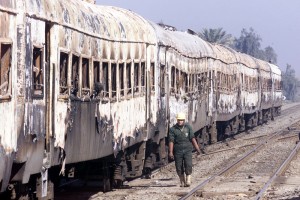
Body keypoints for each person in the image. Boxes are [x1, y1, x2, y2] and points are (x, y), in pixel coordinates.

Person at [168, 112, 201, 187]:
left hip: (187, 149)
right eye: (179, 120)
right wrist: (170, 152)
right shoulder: (173, 129)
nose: (180, 121)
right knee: (178, 166)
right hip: (178, 150)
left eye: (181, 120)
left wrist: (197, 149)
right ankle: (182, 181)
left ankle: (188, 180)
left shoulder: (188, 127)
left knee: (188, 164)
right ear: (177, 120)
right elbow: (171, 141)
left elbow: (192, 138)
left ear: (184, 120)